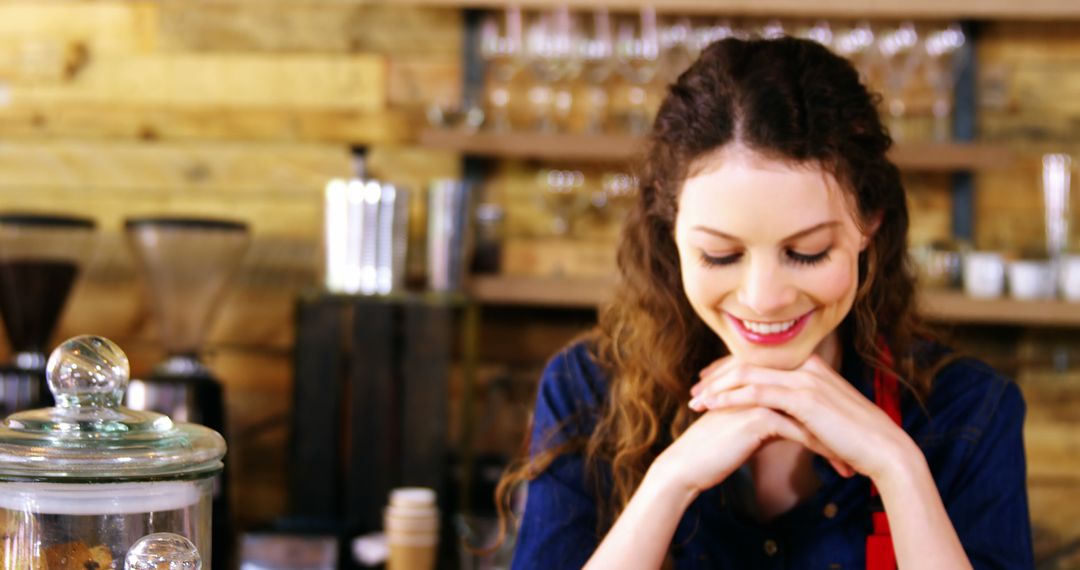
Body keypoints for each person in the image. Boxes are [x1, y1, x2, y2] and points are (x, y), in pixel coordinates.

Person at [497, 36, 1033, 569]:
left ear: (869, 224)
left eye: (807, 252)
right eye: (720, 255)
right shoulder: (586, 390)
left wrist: (897, 466)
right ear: (672, 236)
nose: (764, 299)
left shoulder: (969, 410)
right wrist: (670, 481)